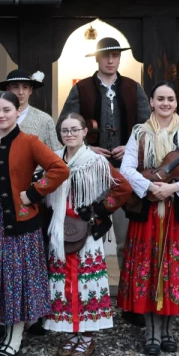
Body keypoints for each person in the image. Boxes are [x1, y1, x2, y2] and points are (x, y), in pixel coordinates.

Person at [0, 92, 69, 356]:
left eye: (7, 110)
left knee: (15, 278)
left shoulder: (29, 141)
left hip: (18, 222)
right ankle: (5, 328)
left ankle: (14, 339)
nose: (1, 115)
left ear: (17, 112)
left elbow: (60, 169)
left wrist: (34, 192)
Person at [59, 36, 150, 323]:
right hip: (90, 171)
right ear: (97, 58)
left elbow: (146, 127)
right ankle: (82, 300)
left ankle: (130, 302)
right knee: (82, 234)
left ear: (120, 59)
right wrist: (87, 146)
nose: (111, 60)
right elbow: (66, 124)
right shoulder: (82, 88)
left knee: (126, 240)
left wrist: (130, 145)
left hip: (125, 173)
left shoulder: (133, 88)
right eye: (106, 55)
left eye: (115, 55)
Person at [118, 82, 179, 355]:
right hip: (148, 212)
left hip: (176, 211)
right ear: (152, 102)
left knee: (173, 269)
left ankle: (167, 330)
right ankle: (151, 333)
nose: (165, 103)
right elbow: (127, 168)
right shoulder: (139, 132)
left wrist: (173, 188)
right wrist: (150, 187)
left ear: (176, 102)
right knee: (148, 269)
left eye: (170, 98)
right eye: (160, 99)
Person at [44, 113, 131, 356]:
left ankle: (88, 336)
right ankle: (71, 334)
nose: (69, 134)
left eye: (74, 130)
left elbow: (123, 187)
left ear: (84, 132)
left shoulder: (95, 161)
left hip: (86, 229)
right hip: (59, 229)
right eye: (65, 130)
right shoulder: (53, 159)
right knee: (62, 281)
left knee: (86, 282)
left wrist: (100, 210)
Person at [0, 69, 59, 150]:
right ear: (8, 89)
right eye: (15, 87)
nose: (21, 92)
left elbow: (55, 152)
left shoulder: (45, 120)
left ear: (30, 90)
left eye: (25, 87)